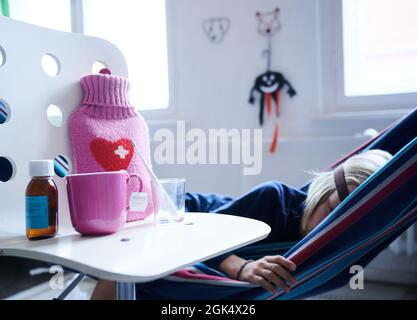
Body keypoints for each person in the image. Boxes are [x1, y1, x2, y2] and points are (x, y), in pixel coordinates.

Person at [91, 149, 392, 299]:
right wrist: (242, 267)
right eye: (330, 210)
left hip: (211, 246)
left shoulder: (340, 247)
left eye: (342, 223)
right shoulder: (273, 199)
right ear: (324, 190)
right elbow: (202, 235)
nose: (328, 226)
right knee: (135, 267)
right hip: (184, 218)